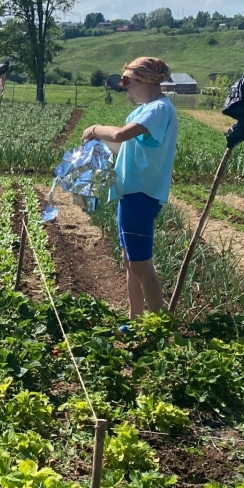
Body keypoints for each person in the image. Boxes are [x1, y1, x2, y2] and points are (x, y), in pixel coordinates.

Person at [81, 57, 179, 318]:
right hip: (131, 192)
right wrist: (96, 149)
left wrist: (94, 129)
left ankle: (159, 326)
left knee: (141, 264)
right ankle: (135, 319)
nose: (126, 88)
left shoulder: (158, 108)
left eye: (128, 82)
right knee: (130, 262)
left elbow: (119, 135)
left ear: (144, 80)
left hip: (141, 194)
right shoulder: (144, 111)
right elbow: (123, 147)